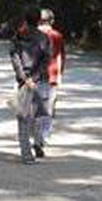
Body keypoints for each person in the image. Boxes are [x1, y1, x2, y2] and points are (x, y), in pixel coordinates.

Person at [10, 7, 52, 163]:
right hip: (40, 81)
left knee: (23, 117)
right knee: (40, 115)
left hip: (23, 82)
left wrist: (24, 78)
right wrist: (35, 77)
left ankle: (26, 154)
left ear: (25, 20)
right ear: (39, 20)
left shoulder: (17, 37)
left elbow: (15, 60)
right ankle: (38, 143)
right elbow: (47, 60)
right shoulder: (43, 38)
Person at [37, 8, 65, 148]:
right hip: (51, 76)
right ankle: (44, 135)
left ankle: (34, 135)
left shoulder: (30, 34)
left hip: (33, 76)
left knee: (33, 106)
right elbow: (60, 57)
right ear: (52, 21)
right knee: (48, 108)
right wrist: (60, 75)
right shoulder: (57, 35)